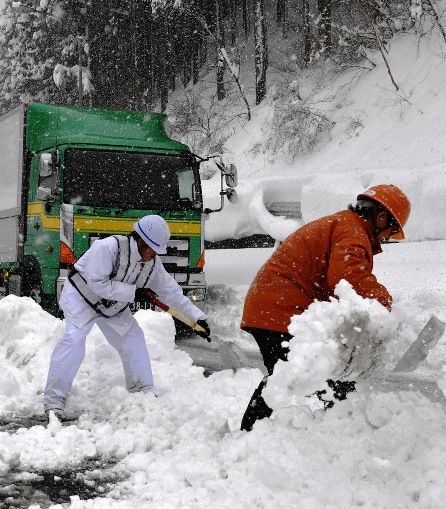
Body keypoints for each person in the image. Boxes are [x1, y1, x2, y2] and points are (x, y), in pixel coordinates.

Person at [239, 184, 411, 431]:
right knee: (320, 376)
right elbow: (348, 281)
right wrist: (385, 304)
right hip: (281, 310)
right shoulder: (352, 232)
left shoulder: (345, 225)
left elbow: (338, 286)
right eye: (392, 231)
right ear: (381, 217)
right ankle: (333, 435)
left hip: (274, 306)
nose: (387, 238)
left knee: (301, 376)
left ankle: (264, 433)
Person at [44, 214, 210, 418]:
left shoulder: (152, 263)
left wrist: (198, 318)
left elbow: (172, 293)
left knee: (133, 338)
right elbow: (97, 283)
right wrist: (132, 293)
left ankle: (143, 391)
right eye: (153, 250)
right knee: (74, 340)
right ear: (140, 241)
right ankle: (54, 401)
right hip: (81, 297)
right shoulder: (107, 248)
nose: (155, 256)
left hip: (112, 304)